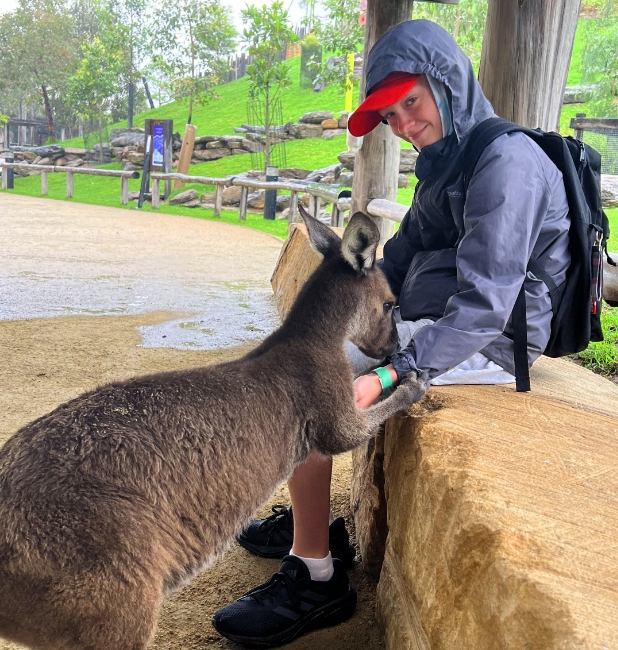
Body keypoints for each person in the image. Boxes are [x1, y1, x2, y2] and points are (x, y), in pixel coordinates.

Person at [212, 19, 571, 647]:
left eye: (412, 102)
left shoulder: (506, 163)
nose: (403, 124)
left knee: (312, 387)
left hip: (493, 341)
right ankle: (312, 520)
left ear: (450, 83)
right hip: (442, 315)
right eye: (389, 114)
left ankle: (317, 576)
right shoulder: (449, 160)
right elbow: (400, 257)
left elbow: (487, 306)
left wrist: (394, 370)